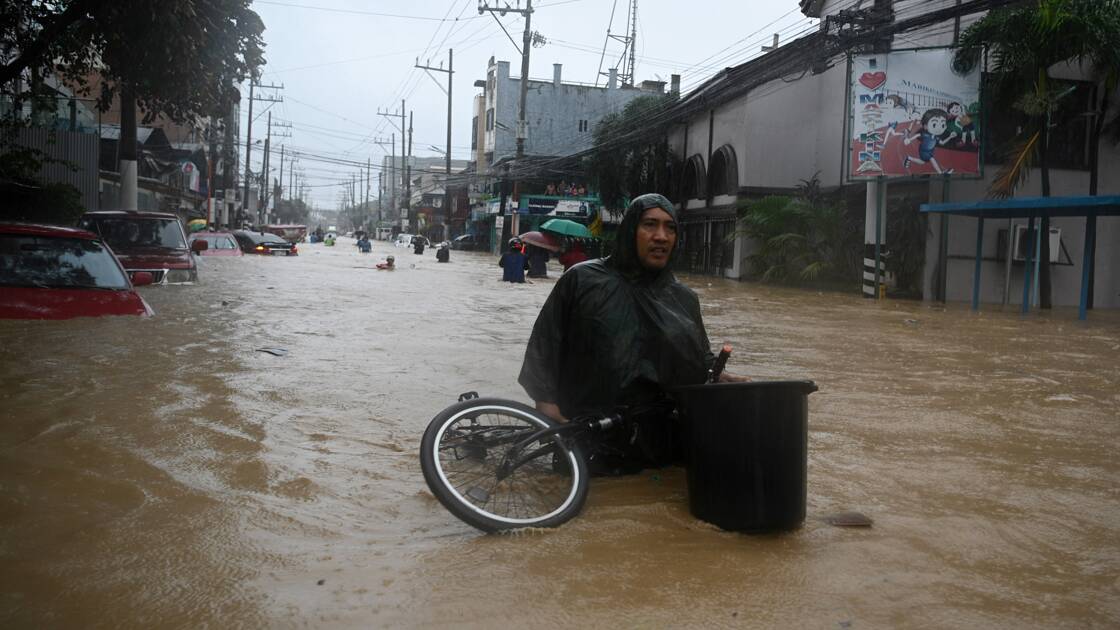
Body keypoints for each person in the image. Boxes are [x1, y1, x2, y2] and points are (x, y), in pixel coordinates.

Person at [518, 193, 747, 475]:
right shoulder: (583, 280)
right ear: (629, 231)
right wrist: (545, 402)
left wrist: (715, 372)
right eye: (650, 225)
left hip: (660, 443)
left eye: (670, 228)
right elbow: (546, 343)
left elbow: (696, 357)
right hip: (587, 436)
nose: (661, 236)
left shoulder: (683, 298)